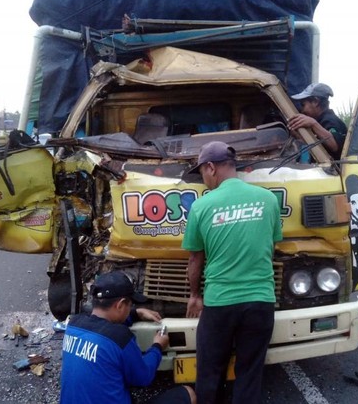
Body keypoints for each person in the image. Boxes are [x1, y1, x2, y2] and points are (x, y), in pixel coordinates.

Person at [182, 141, 283, 404]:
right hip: (261, 301)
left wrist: (194, 295)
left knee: (210, 370)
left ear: (211, 168)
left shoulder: (202, 206)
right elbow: (270, 247)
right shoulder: (268, 200)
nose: (203, 180)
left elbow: (195, 258)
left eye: (202, 173)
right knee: (250, 372)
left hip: (220, 303)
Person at [60, 271, 195, 404]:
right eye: (130, 304)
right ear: (120, 305)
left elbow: (102, 324)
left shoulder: (73, 325)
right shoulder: (120, 337)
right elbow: (143, 377)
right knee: (188, 393)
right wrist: (157, 346)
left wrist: (135, 313)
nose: (131, 307)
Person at [288, 82, 348, 159]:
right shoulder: (321, 120)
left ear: (315, 102)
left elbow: (334, 146)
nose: (302, 110)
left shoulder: (330, 120)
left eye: (303, 105)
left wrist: (313, 124)